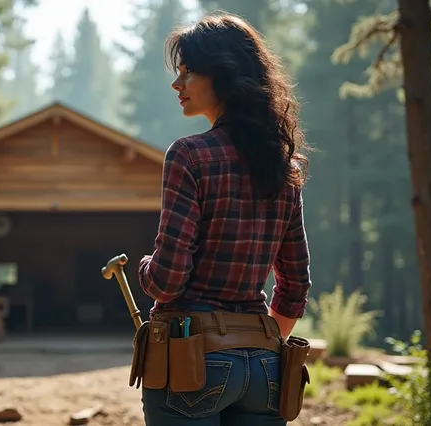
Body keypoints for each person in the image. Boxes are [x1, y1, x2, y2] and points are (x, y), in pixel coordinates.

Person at [136, 11, 312, 426]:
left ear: (225, 76)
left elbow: (168, 278)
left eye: (189, 72)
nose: (178, 84)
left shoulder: (189, 155)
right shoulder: (284, 167)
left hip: (191, 362)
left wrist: (145, 268)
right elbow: (296, 286)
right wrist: (254, 343)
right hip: (266, 369)